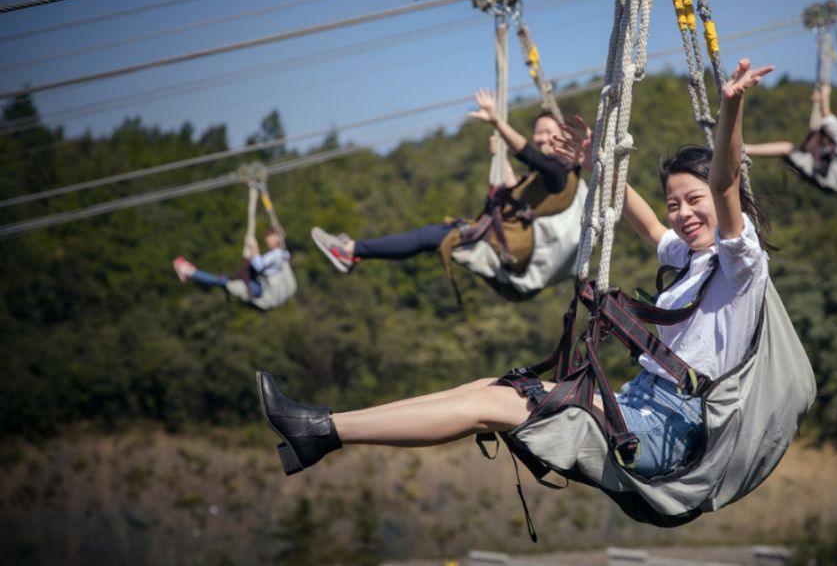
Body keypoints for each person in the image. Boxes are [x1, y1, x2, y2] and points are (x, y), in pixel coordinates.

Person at [257, 58, 774, 479]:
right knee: (488, 386)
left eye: (693, 201)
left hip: (667, 428)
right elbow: (641, 220)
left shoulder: (740, 262)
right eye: (674, 204)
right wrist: (597, 159)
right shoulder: (689, 258)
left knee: (496, 404)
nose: (682, 215)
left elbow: (727, 185)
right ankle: (320, 429)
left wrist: (731, 108)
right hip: (633, 405)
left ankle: (324, 430)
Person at [310, 88, 576, 274]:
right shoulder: (546, 174)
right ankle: (354, 251)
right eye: (537, 132)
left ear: (562, 138)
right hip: (500, 237)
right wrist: (502, 160)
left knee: (426, 236)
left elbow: (528, 154)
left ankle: (351, 250)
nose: (541, 138)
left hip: (501, 244)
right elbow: (514, 191)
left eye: (547, 133)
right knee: (426, 236)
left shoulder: (559, 173)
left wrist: (498, 122)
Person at [744, 82, 837, 160]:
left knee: (787, 148)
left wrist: (824, 96)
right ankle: (746, 149)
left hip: (828, 162)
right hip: (825, 157)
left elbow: (828, 119)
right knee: (788, 148)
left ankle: (746, 149)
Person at [174, 229, 291, 301]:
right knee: (223, 281)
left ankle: (188, 271)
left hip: (261, 289)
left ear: (277, 237)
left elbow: (258, 265)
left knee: (223, 281)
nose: (266, 239)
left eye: (269, 236)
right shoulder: (282, 254)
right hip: (259, 284)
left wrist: (254, 246)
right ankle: (190, 272)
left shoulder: (277, 254)